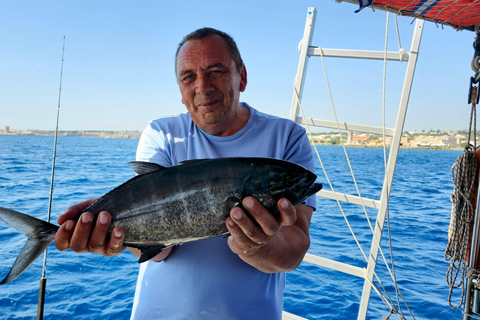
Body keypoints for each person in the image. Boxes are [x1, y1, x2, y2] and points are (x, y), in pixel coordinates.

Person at [54, 27, 316, 320]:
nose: (202, 87)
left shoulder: (287, 137)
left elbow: (294, 250)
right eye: (188, 77)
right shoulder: (161, 134)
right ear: (180, 89)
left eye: (215, 71)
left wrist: (257, 244)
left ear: (241, 76)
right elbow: (160, 252)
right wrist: (110, 225)